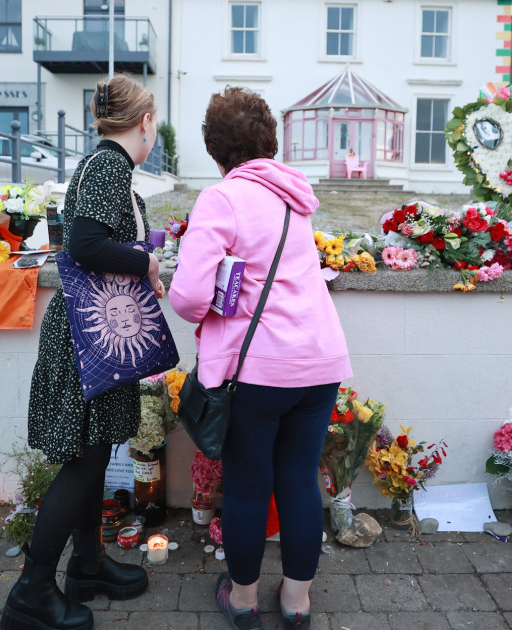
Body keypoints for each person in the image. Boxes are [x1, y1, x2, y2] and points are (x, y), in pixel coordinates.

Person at [169, 87, 352, 630]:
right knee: (298, 479)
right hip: (318, 362)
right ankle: (296, 604)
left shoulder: (222, 198)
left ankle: (244, 601)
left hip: (258, 373)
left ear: (217, 150)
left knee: (249, 484)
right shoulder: (294, 195)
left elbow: (186, 296)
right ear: (269, 140)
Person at [2, 74, 162, 630]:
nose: (154, 133)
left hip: (93, 334)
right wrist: (147, 264)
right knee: (83, 462)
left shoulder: (108, 167)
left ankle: (87, 568)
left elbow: (96, 242)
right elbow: (85, 244)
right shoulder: (108, 168)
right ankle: (31, 592)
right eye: (154, 123)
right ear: (145, 122)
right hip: (84, 340)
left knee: (94, 454)